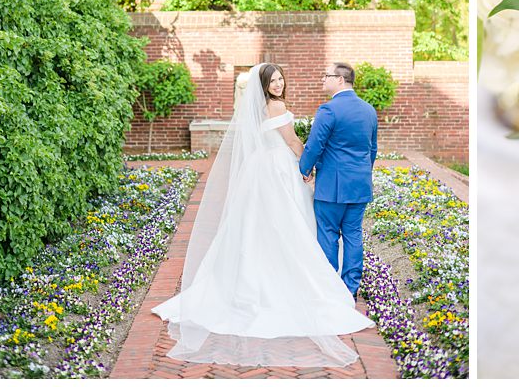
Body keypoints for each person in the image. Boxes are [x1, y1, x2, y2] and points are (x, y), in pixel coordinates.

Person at [152, 63, 370, 370]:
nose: (279, 83)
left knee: (258, 226)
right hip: (279, 170)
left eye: (281, 78)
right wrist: (307, 168)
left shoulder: (257, 108)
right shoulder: (277, 106)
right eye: (273, 80)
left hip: (260, 170)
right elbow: (293, 143)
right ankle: (311, 283)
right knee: (287, 225)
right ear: (264, 84)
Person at [299, 60, 380, 296]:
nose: (323, 79)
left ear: (340, 80)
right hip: (359, 185)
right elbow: (372, 149)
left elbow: (314, 146)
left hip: (331, 187)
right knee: (353, 235)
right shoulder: (369, 110)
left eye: (327, 76)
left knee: (328, 234)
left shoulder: (328, 110)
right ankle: (350, 288)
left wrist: (304, 169)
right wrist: (363, 172)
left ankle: (329, 288)